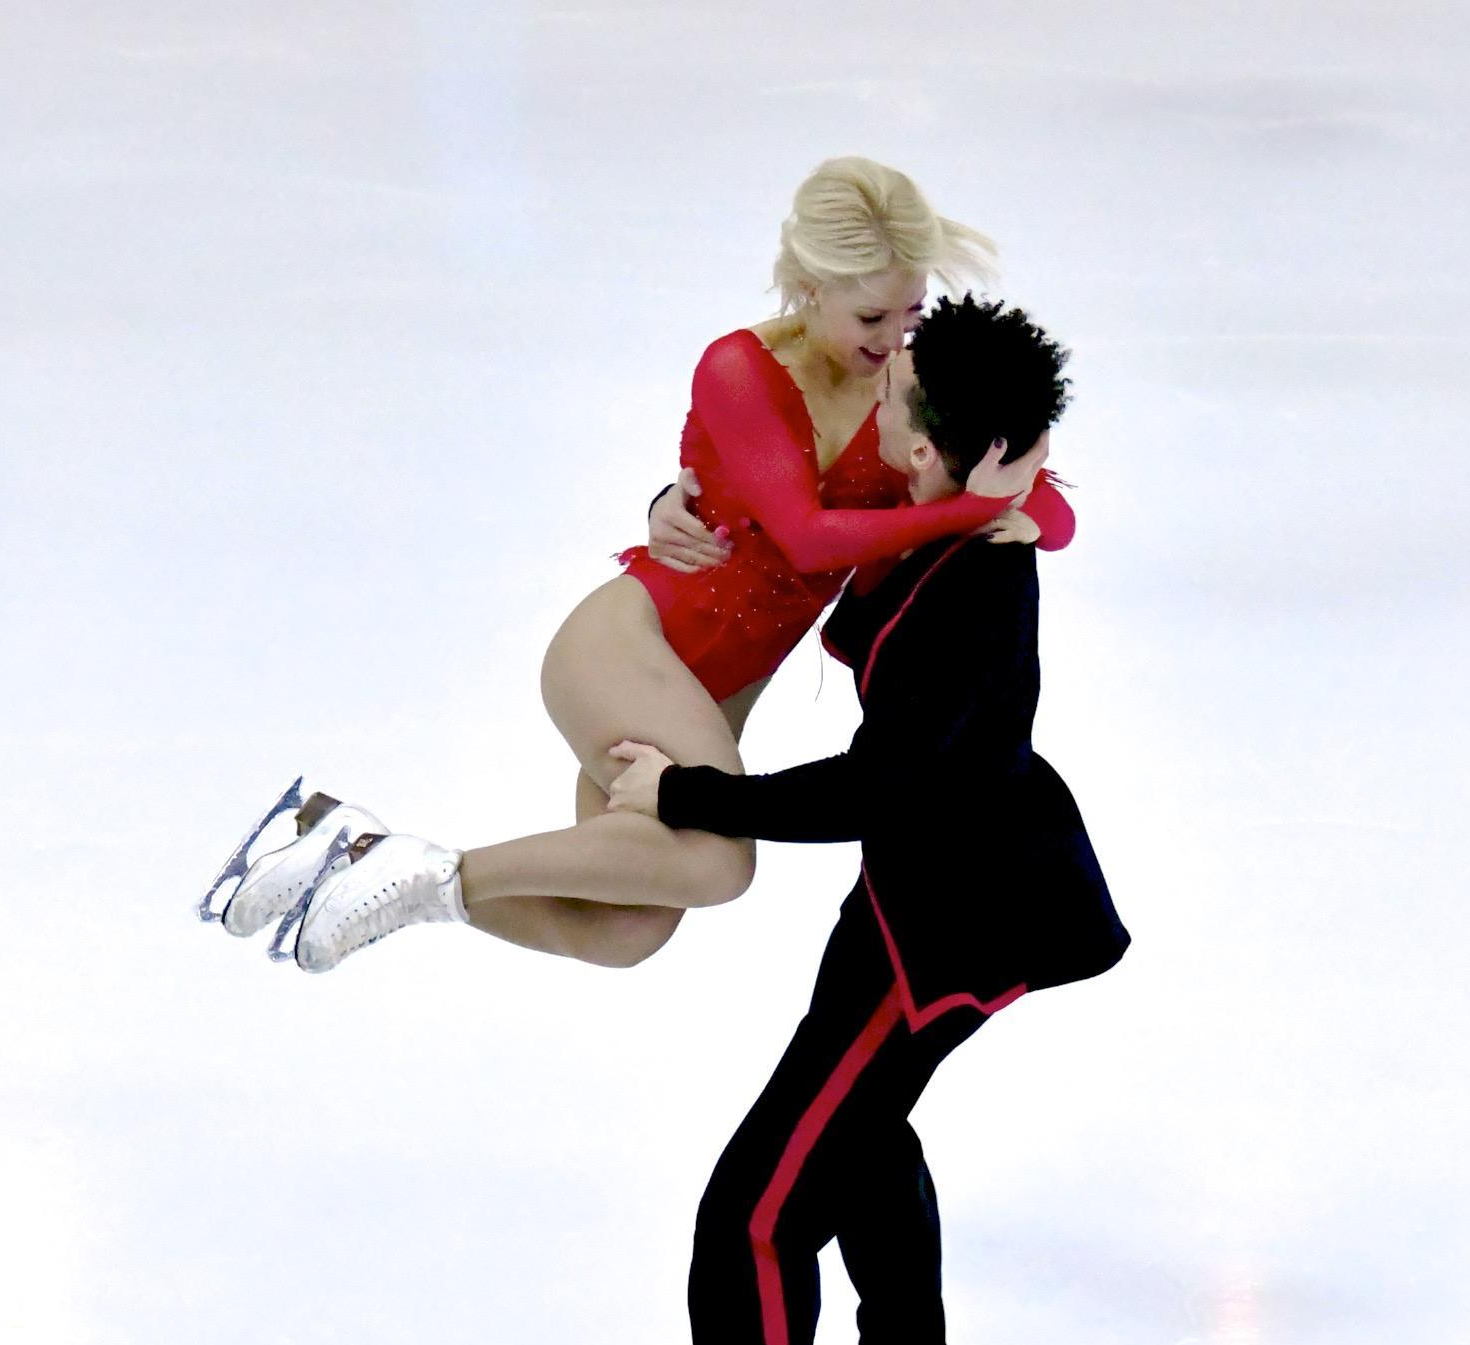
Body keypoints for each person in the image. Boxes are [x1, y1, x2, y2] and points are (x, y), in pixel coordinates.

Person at [195, 157, 1075, 972]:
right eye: (871, 318)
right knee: (723, 865)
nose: (893, 339)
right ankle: (412, 869)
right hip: (630, 646)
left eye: (910, 313)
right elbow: (807, 537)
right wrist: (978, 505)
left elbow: (1055, 511)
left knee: (624, 932)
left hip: (709, 698)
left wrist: (1007, 494)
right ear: (811, 289)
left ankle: (355, 851)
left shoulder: (911, 391)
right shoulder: (741, 369)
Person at [607, 296, 1129, 1345]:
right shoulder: (947, 502)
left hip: (946, 923)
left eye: (897, 403)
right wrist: (675, 503)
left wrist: (686, 797)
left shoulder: (976, 595)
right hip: (919, 887)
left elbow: (873, 789)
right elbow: (790, 505)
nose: (877, 397)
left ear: (944, 453)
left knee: (754, 1211)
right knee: (861, 1123)